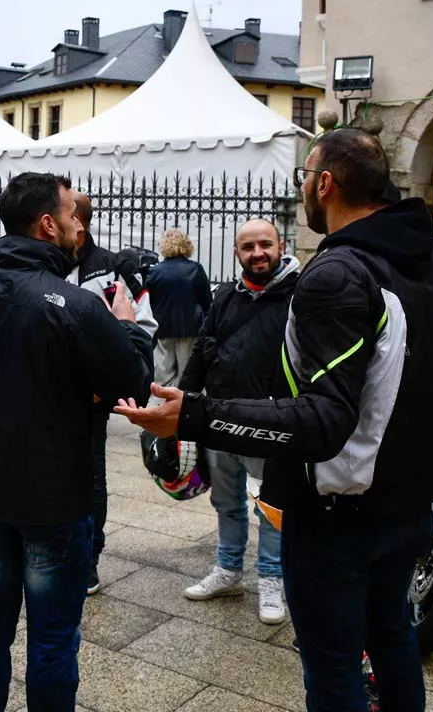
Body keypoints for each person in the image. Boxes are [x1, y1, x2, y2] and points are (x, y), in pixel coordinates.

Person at [115, 128, 433, 712]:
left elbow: (321, 422)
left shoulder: (340, 271)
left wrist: (193, 415)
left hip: (343, 515)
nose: (302, 193)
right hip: (413, 500)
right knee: (394, 638)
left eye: (303, 178)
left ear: (325, 183)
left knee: (335, 664)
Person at [0, 172, 154, 712]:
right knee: (51, 641)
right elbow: (131, 384)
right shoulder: (76, 306)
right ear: (48, 224)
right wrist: (130, 328)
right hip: (55, 500)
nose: (80, 224)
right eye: (73, 213)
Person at [178, 219, 298, 626]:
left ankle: (271, 579)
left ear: (280, 246)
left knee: (271, 508)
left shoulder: (298, 297)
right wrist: (185, 401)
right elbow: (203, 347)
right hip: (219, 418)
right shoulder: (226, 296)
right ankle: (228, 569)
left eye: (265, 244)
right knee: (226, 502)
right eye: (248, 247)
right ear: (237, 253)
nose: (258, 253)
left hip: (270, 422)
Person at [65, 192, 159, 594]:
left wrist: (105, 387)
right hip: (46, 395)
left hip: (92, 402)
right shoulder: (44, 264)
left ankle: (88, 561)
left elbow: (144, 327)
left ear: (78, 223)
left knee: (91, 480)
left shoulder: (112, 270)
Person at [146, 228, 213, 388]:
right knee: (186, 371)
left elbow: (149, 300)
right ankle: (182, 403)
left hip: (162, 326)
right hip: (190, 326)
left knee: (163, 371)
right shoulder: (195, 268)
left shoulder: (155, 271)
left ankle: (162, 401)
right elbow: (206, 300)